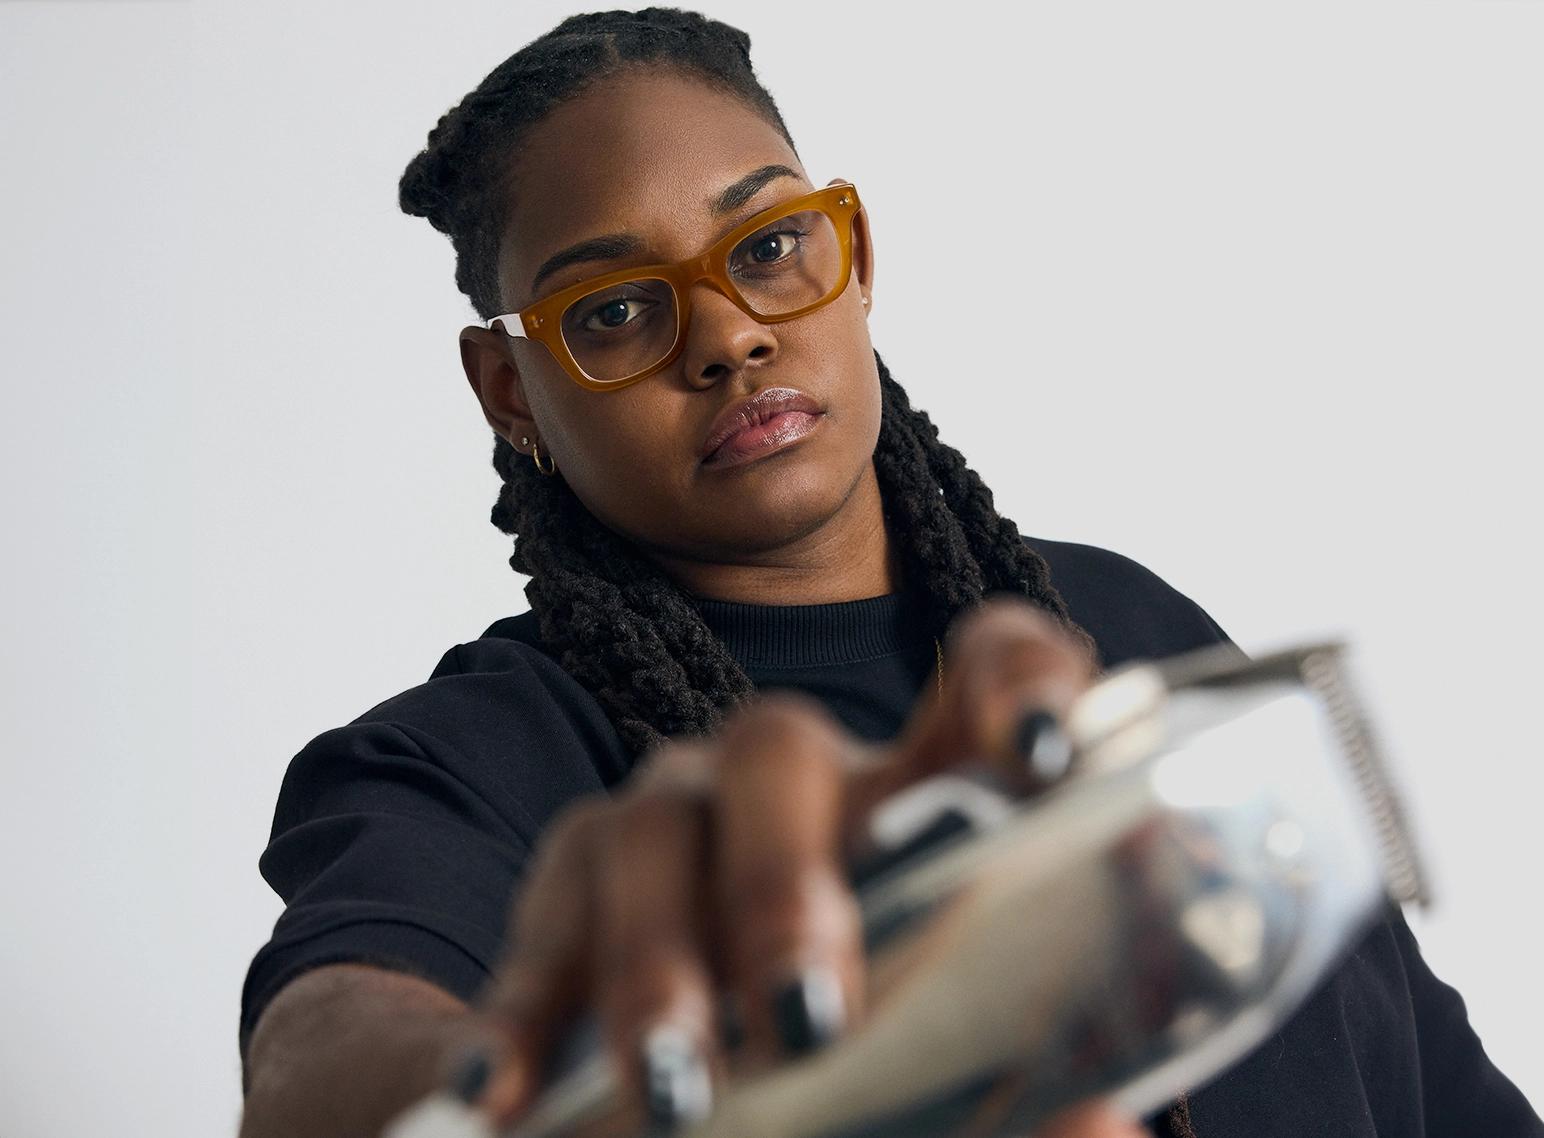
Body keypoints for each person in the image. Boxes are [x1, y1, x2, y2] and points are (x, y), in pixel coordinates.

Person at [235, 9, 1542, 1138]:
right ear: (510, 389)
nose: (728, 336)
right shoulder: (464, 765)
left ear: (853, 262)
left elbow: (1443, 1088)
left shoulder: (1126, 623)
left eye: (767, 247)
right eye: (617, 310)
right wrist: (544, 1089)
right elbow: (321, 1052)